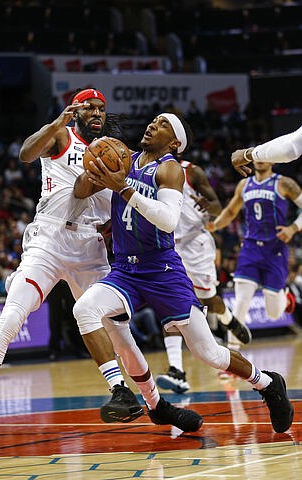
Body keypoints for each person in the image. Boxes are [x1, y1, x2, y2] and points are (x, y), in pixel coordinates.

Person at [73, 112, 294, 435]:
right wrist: (90, 173)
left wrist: (123, 190)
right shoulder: (122, 158)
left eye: (163, 124)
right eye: (154, 121)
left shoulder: (170, 168)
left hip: (162, 270)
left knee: (209, 353)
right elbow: (82, 192)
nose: (152, 125)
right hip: (125, 270)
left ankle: (267, 383)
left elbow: (167, 220)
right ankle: (131, 395)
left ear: (175, 143)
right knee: (85, 309)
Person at [0, 88, 132, 446]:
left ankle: (136, 396)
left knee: (119, 332)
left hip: (91, 246)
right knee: (10, 317)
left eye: (101, 108)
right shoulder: (61, 134)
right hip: (50, 240)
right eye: (89, 107)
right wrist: (58, 119)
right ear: (77, 109)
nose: (97, 112)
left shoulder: (114, 152)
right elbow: (26, 153)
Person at [156, 159, 251, 394]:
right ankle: (176, 370)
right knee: (170, 305)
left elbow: (218, 208)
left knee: (209, 300)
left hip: (195, 243)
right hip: (168, 246)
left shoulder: (192, 171)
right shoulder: (147, 170)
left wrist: (206, 204)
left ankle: (229, 320)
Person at [208, 160, 302, 349]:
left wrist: (293, 228)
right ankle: (232, 354)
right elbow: (231, 211)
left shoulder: (284, 183)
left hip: (275, 250)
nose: (259, 158)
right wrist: (215, 225)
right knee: (241, 300)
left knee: (274, 313)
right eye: (256, 154)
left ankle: (285, 298)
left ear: (273, 159)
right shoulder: (245, 184)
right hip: (250, 248)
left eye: (264, 154)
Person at [231, 125, 302, 176]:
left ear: (273, 162)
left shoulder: (284, 183)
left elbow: (289, 149)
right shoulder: (243, 184)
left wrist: (247, 155)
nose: (260, 162)